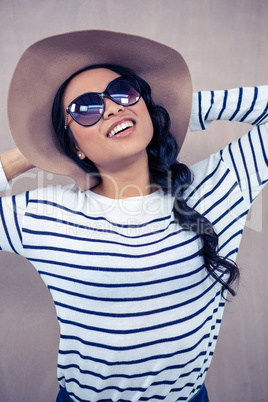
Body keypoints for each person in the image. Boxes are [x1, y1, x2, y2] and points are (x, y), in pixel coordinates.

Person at [1, 29, 267, 402]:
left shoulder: (219, 185)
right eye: (87, 108)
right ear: (73, 144)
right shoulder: (42, 215)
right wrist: (32, 149)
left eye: (123, 92)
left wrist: (175, 108)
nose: (112, 107)